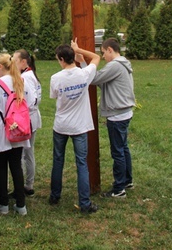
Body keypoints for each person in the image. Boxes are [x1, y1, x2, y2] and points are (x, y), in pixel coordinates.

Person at [49, 40, 100, 214]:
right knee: (81, 163)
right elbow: (96, 57)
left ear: (62, 59)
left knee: (58, 160)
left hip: (61, 125)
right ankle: (84, 203)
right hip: (79, 127)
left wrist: (75, 50)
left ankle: (55, 196)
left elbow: (55, 96)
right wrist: (80, 51)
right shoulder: (84, 74)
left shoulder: (56, 78)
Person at [0, 53, 35, 216]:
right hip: (19, 130)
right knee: (16, 166)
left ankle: (3, 204)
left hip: (2, 129)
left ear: (1, 67)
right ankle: (21, 205)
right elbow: (30, 102)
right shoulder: (20, 80)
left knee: (0, 167)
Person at [91, 38, 136, 199]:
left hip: (117, 115)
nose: (103, 56)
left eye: (103, 53)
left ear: (110, 50)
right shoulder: (123, 64)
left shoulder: (115, 65)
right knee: (123, 149)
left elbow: (95, 79)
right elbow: (104, 83)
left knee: (118, 152)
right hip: (124, 112)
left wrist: (84, 65)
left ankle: (119, 189)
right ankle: (127, 181)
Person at [13, 49, 42, 196]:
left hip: (28, 119)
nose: (12, 63)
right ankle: (27, 184)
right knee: (27, 153)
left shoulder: (25, 77)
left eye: (15, 60)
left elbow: (32, 100)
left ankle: (27, 185)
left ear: (23, 62)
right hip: (31, 118)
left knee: (25, 154)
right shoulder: (30, 74)